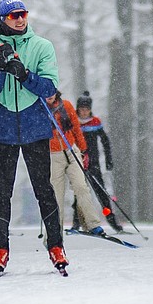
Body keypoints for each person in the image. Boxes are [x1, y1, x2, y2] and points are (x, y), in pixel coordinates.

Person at [0, 0, 67, 276]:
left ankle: (56, 246)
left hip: (34, 126)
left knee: (44, 189)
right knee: (2, 192)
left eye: (23, 13)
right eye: (13, 15)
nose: (20, 19)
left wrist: (24, 73)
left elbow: (49, 87)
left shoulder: (42, 46)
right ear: (3, 19)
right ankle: (0, 249)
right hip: (4, 128)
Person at [45, 90, 107, 237]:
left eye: (51, 91)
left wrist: (84, 150)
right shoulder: (39, 108)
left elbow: (76, 129)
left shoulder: (66, 106)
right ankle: (54, 230)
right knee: (56, 194)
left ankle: (93, 224)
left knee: (81, 187)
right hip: (53, 155)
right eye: (45, 92)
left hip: (71, 151)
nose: (49, 95)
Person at [75, 91, 122, 232]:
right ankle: (76, 223)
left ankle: (111, 219)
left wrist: (108, 160)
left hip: (93, 163)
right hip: (78, 162)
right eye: (81, 110)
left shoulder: (95, 122)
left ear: (90, 110)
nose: (84, 113)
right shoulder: (74, 122)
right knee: (79, 193)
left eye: (86, 110)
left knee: (101, 193)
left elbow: (105, 141)